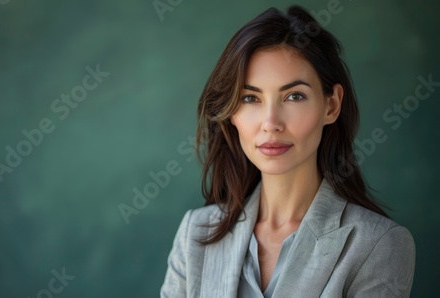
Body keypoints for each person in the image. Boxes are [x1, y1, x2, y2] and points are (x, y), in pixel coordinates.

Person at [160, 5, 415, 298]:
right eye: (249, 98)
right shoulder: (196, 232)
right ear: (231, 112)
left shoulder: (379, 245)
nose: (271, 123)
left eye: (294, 96)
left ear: (331, 106)